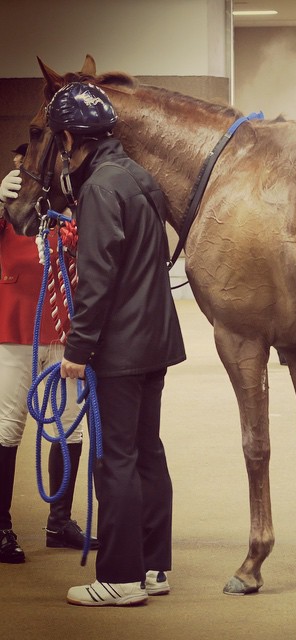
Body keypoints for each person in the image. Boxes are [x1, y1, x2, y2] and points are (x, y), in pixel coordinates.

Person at [44, 82, 186, 606]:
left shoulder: (101, 186)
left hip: (120, 348)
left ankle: (121, 578)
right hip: (155, 341)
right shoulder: (139, 177)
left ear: (66, 138)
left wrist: (78, 351)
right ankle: (153, 567)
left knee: (116, 459)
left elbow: (97, 278)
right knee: (147, 451)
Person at [0, 145, 98, 564]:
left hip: (64, 337)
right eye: (22, 167)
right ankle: (1, 528)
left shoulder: (67, 219)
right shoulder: (9, 218)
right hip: (15, 335)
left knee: (70, 429)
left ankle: (60, 522)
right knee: (7, 429)